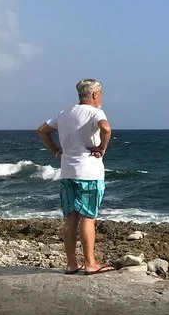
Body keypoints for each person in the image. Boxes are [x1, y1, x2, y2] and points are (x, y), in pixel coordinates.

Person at [36, 79, 113, 275]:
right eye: (101, 94)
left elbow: (42, 130)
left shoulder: (64, 113)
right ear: (94, 95)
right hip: (89, 172)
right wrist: (102, 148)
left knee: (70, 218)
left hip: (67, 171)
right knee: (88, 217)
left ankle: (71, 264)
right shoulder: (95, 112)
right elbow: (106, 128)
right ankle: (90, 263)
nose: (101, 97)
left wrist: (56, 152)